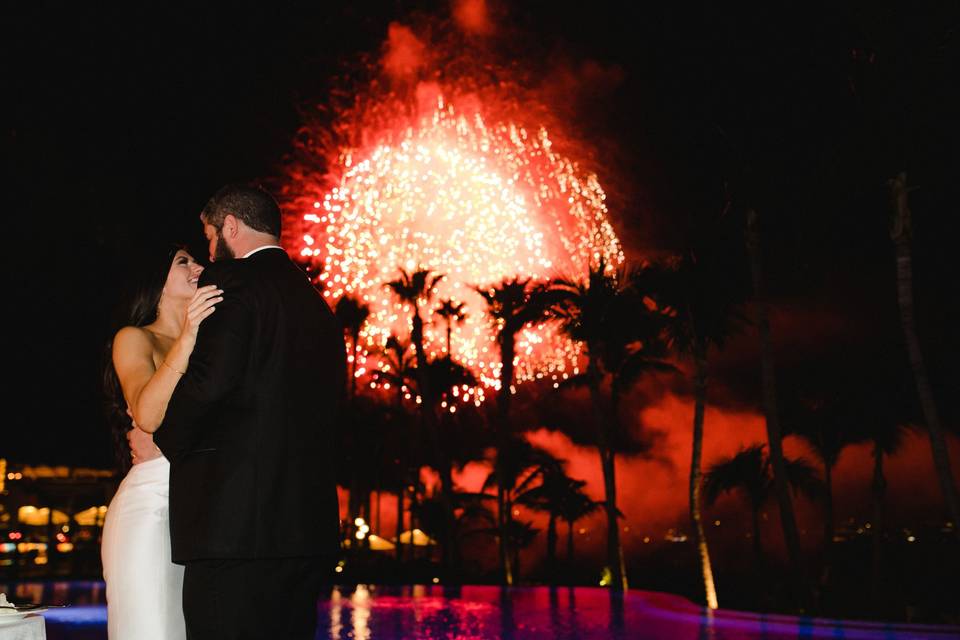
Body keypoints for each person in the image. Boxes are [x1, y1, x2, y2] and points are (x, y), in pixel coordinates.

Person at [138, 184, 345, 639]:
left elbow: (209, 387)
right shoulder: (318, 306)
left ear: (230, 226)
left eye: (210, 237)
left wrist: (169, 439)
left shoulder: (229, 284)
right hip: (304, 530)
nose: (210, 254)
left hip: (233, 528)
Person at [101, 246, 223, 640]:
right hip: (152, 508)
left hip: (205, 512)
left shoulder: (214, 347)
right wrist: (186, 337)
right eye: (182, 261)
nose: (198, 267)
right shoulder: (134, 338)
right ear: (155, 279)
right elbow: (146, 412)